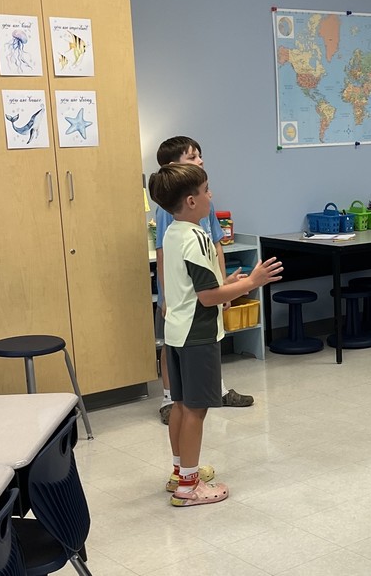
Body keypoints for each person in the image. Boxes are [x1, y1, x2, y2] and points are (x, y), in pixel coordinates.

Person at [148, 162, 282, 506]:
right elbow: (208, 297)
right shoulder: (196, 238)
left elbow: (196, 286)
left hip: (176, 332)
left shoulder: (173, 232)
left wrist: (231, 283)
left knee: (180, 405)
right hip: (198, 335)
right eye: (206, 190)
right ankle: (189, 489)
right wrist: (252, 283)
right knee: (196, 410)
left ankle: (181, 472)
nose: (211, 195)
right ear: (191, 201)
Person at [155, 136, 253, 424]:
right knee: (176, 348)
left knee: (208, 346)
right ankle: (169, 398)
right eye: (192, 158)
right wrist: (165, 297)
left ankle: (216, 390)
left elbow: (215, 245)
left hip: (207, 286)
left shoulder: (203, 205)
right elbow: (164, 255)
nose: (200, 161)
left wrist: (223, 283)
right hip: (184, 302)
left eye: (200, 156)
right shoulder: (172, 214)